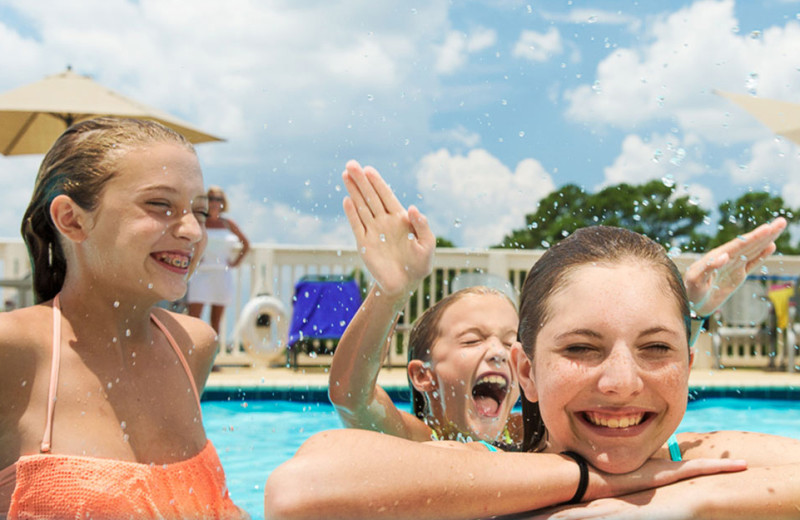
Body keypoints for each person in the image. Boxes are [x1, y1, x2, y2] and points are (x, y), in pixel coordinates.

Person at [264, 170, 800, 520]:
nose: (620, 383)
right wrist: (592, 482)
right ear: (528, 373)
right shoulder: (454, 454)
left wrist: (683, 502)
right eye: (581, 349)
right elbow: (302, 487)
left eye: (657, 348)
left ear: (687, 363)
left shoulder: (685, 460)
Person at [328, 159, 787, 448]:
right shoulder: (416, 441)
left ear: (526, 369)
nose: (498, 350)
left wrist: (684, 310)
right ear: (423, 374)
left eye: (511, 340)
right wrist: (391, 293)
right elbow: (351, 398)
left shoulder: (529, 433)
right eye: (472, 338)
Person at [0, 118, 247, 519]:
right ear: (72, 219)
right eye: (160, 205)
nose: (192, 231)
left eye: (198, 211)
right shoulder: (13, 353)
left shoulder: (192, 346)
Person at [187, 185, 250, 340]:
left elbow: (246, 244)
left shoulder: (228, 223)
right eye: (212, 198)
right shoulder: (199, 220)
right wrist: (194, 257)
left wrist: (235, 262)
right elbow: (187, 241)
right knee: (193, 319)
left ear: (223, 202)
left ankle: (211, 360)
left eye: (219, 198)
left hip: (222, 274)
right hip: (200, 273)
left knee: (216, 322)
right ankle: (191, 357)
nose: (215, 202)